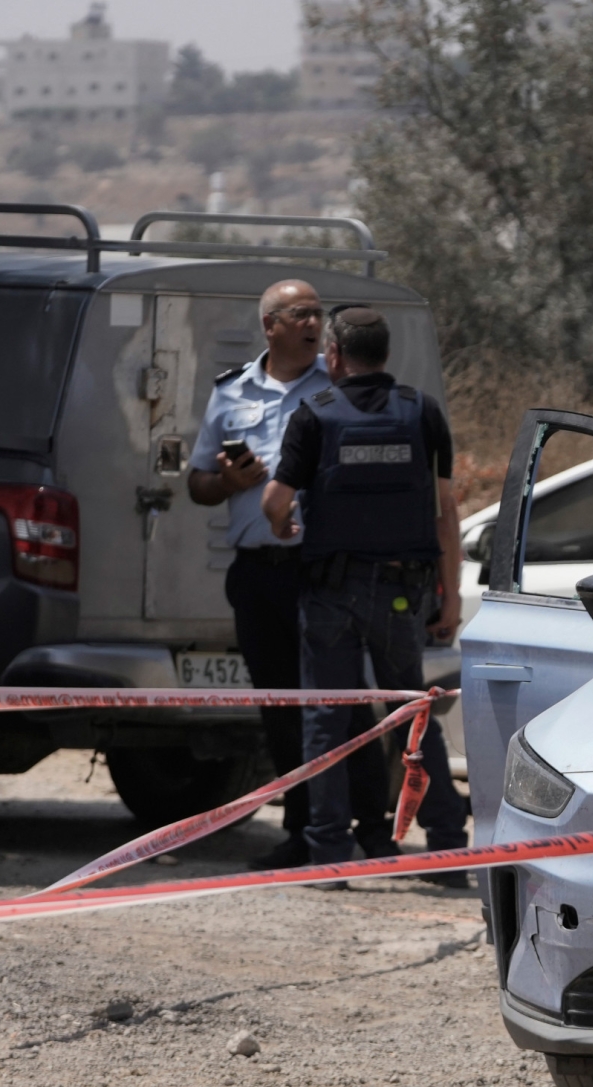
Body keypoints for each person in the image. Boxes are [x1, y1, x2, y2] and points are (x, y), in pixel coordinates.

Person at [188, 279, 396, 869]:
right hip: (257, 573)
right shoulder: (231, 393)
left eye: (317, 314)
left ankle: (372, 829)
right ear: (270, 326)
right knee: (281, 707)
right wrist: (228, 482)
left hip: (324, 571)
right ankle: (302, 828)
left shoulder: (338, 388)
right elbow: (198, 484)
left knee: (344, 702)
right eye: (300, 314)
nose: (313, 322)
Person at [259, 306, 468, 884]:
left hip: (331, 596)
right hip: (404, 593)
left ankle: (328, 858)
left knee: (327, 723)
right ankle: (449, 850)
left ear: (333, 356)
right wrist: (449, 599)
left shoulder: (314, 415)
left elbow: (276, 501)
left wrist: (281, 524)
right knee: (412, 719)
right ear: (384, 355)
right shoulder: (421, 411)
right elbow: (446, 512)